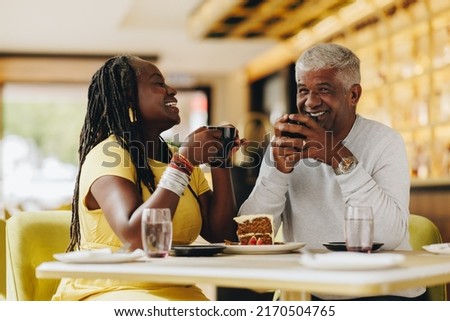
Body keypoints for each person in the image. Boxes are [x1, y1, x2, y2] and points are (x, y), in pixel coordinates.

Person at [238, 43, 426, 300]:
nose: (311, 101)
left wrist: (337, 156)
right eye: (303, 90)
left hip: (384, 293)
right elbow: (251, 232)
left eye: (324, 90)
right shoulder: (284, 144)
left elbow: (388, 235)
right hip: (313, 293)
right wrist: (278, 172)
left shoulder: (385, 141)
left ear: (353, 95)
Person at [52, 55, 241, 301]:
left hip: (176, 290)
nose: (171, 90)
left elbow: (222, 234)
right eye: (158, 83)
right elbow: (136, 238)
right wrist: (183, 164)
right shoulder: (109, 156)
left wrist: (220, 160)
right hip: (109, 290)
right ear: (129, 98)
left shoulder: (176, 159)